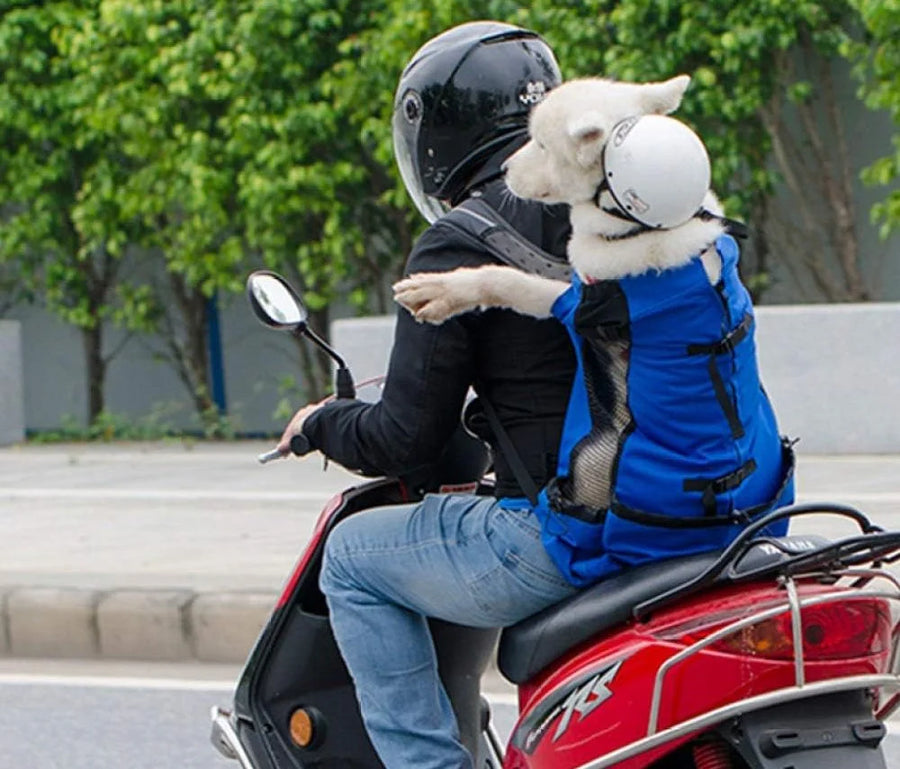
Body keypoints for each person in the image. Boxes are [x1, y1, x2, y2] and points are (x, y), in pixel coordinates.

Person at [277, 21, 579, 769]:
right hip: (698, 512)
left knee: (350, 555)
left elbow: (406, 436)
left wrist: (323, 423)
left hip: (564, 529)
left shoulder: (460, 240)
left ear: (437, 134)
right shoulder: (617, 208)